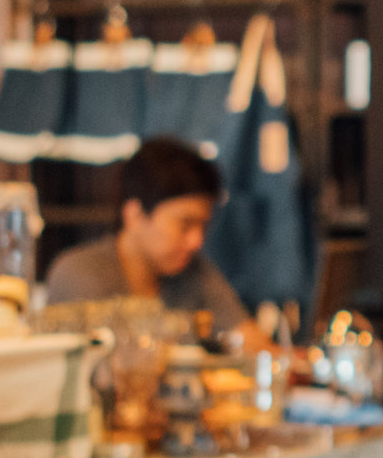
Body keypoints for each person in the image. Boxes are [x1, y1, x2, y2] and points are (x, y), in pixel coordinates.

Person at [41, 135, 261, 342]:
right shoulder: (79, 273)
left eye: (204, 225)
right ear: (135, 215)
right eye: (185, 224)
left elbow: (249, 340)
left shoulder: (194, 272)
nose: (197, 241)